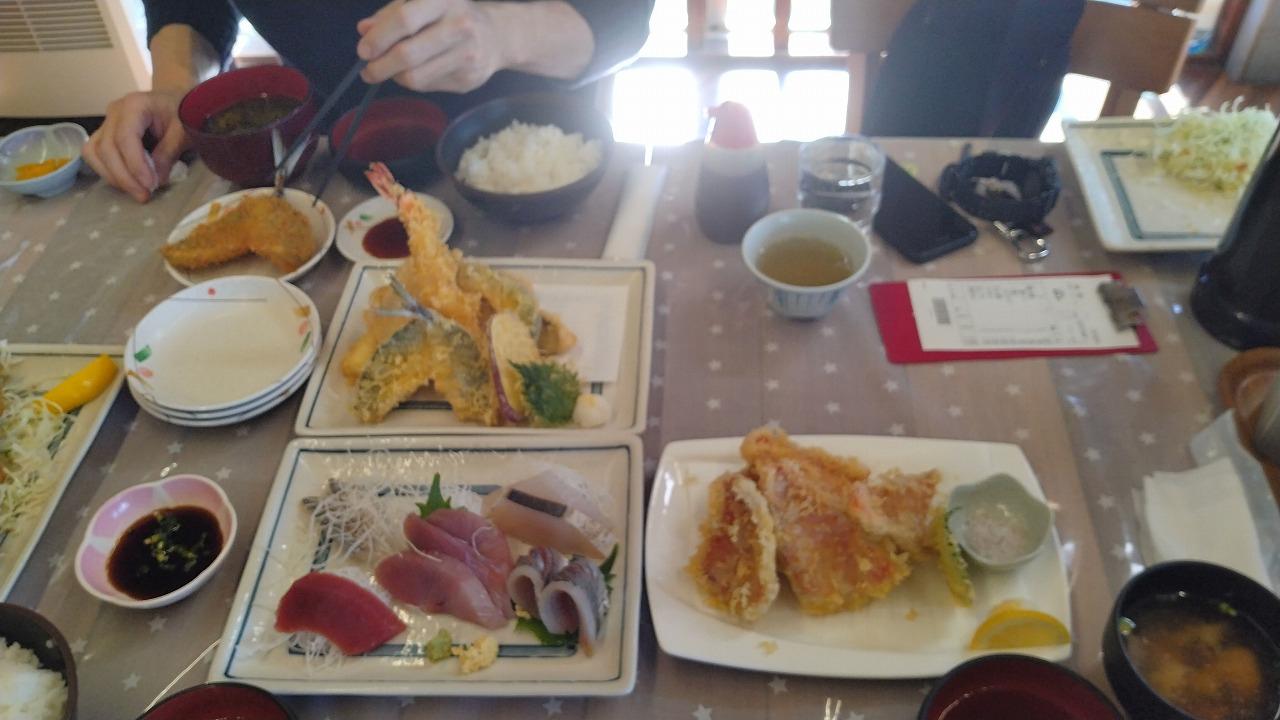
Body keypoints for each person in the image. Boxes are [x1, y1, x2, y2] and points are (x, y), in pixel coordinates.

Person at [85, 0, 654, 202]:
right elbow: (191, 5)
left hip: (528, 167)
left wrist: (503, 34)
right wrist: (175, 82)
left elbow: (621, 16)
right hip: (327, 165)